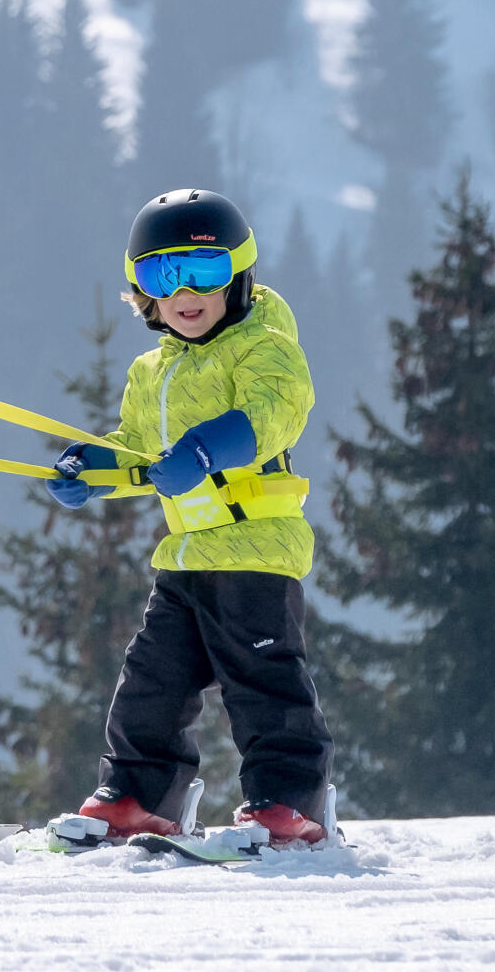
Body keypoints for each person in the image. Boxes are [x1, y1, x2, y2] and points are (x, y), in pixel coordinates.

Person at [46, 188, 335, 844]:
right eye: (162, 274)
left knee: (262, 682)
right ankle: (137, 797)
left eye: (202, 273)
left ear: (236, 273)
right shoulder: (154, 371)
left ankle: (289, 804)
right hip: (187, 558)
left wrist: (207, 449)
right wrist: (89, 470)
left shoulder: (263, 345)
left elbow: (274, 412)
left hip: (258, 549)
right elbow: (137, 453)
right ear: (142, 290)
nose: (185, 293)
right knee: (152, 683)